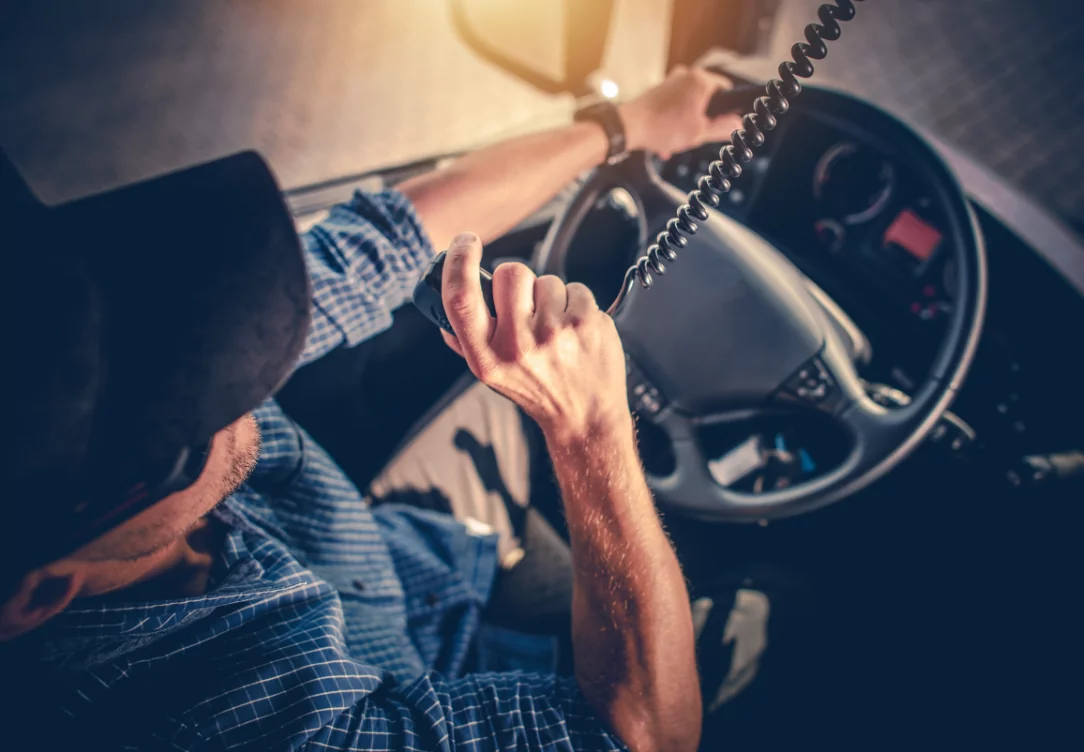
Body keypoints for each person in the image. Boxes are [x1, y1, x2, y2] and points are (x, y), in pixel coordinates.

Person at [0, 68, 746, 750]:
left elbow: (384, 243)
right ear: (41, 594)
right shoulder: (234, 729)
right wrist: (589, 427)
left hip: (427, 557)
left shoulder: (93, 391)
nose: (236, 383)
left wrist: (626, 124)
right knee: (772, 616)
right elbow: (644, 736)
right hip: (465, 683)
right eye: (179, 429)